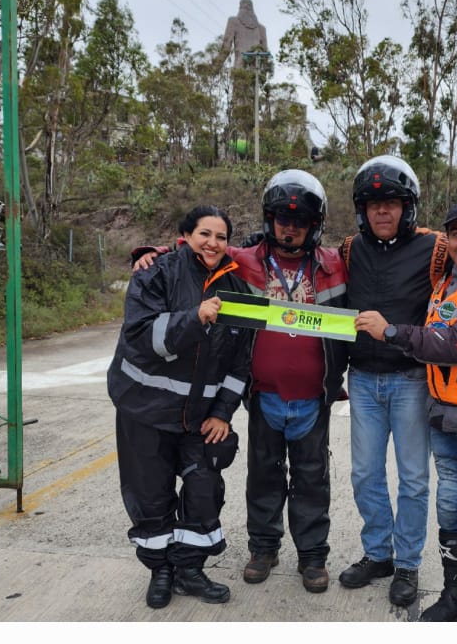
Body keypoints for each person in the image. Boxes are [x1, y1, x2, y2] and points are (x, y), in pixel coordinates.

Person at [331, 156, 457, 611]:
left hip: (412, 378)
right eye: (372, 204)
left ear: (408, 208)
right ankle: (377, 554)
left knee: (413, 479)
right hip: (364, 380)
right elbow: (303, 258)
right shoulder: (349, 249)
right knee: (365, 474)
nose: (382, 212)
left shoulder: (437, 247)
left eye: (391, 203)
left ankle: (407, 562)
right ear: (361, 210)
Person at [134, 169, 350, 593]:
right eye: (282, 219)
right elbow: (199, 246)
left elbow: (398, 253)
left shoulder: (336, 264)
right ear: (269, 220)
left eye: (300, 220)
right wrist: (152, 252)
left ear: (315, 224)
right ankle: (264, 548)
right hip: (262, 394)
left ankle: (312, 556)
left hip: (313, 397)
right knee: (264, 475)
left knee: (312, 477)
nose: (290, 227)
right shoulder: (245, 260)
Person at [108, 203, 254, 608]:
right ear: (187, 235)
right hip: (145, 412)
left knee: (204, 488)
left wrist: (223, 413)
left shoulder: (237, 291)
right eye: (205, 234)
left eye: (221, 237)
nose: (213, 243)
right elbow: (141, 336)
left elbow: (241, 361)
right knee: (150, 496)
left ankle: (190, 569)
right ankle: (161, 571)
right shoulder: (156, 273)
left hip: (199, 419)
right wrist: (195, 317)